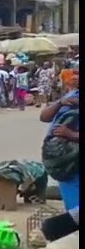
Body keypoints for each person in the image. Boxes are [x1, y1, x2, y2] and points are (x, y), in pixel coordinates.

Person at [40, 69, 79, 214]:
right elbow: (44, 117)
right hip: (65, 160)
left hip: (75, 159)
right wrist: (59, 103)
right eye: (74, 75)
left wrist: (71, 134)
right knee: (72, 203)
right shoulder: (71, 96)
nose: (74, 78)